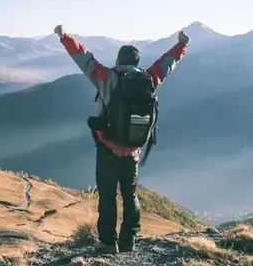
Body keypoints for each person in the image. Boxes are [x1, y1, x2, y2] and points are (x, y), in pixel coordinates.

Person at [53, 24, 190, 254]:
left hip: (108, 148)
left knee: (107, 196)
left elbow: (84, 58)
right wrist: (182, 44)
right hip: (133, 151)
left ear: (119, 60)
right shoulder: (150, 78)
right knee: (131, 195)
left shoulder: (108, 77)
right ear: (137, 62)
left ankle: (108, 243)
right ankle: (129, 241)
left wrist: (63, 36)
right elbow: (168, 63)